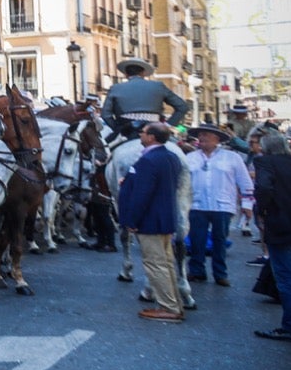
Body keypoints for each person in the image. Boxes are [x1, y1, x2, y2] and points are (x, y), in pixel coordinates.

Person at [118, 122, 187, 322]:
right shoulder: (171, 156)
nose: (141, 134)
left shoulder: (148, 160)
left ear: (152, 137)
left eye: (144, 132)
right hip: (164, 218)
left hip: (150, 220)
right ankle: (174, 303)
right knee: (166, 263)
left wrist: (131, 219)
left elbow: (143, 194)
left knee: (155, 264)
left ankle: (168, 307)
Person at [251, 131, 291, 342]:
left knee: (287, 278)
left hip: (281, 226)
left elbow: (264, 188)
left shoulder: (265, 162)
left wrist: (262, 210)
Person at [183, 123, 254, 285]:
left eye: (207, 135)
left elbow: (245, 181)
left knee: (219, 240)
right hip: (197, 205)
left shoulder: (232, 158)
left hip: (222, 205)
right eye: (200, 135)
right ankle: (196, 270)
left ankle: (220, 273)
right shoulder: (190, 158)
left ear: (217, 139)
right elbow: (182, 182)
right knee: (196, 239)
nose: (202, 138)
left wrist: (247, 204)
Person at [104, 57, 189, 140]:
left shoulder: (115, 88)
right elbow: (182, 107)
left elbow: (105, 115)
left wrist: (118, 128)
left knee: (103, 149)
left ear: (126, 74)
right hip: (154, 129)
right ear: (143, 73)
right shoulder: (158, 86)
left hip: (126, 130)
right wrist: (167, 125)